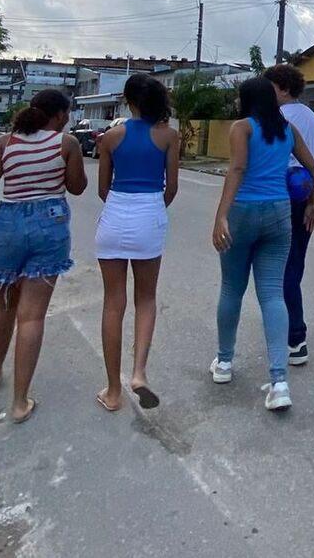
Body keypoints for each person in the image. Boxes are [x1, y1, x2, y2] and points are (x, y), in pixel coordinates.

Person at [0, 89, 87, 424]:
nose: (67, 118)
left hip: (8, 224)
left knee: (3, 304)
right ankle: (20, 402)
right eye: (66, 113)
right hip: (49, 224)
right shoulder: (66, 144)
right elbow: (77, 187)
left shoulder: (5, 143)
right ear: (59, 115)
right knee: (32, 316)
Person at [210, 77, 314, 411]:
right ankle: (279, 382)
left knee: (232, 288)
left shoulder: (241, 128)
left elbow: (238, 168)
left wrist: (221, 216)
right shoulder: (286, 129)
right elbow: (311, 165)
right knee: (272, 294)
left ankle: (225, 363)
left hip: (244, 210)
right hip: (279, 212)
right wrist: (313, 201)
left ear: (246, 100)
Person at [94, 74, 180, 412]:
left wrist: (121, 205)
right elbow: (171, 187)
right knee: (145, 298)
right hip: (149, 214)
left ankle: (113, 391)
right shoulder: (169, 136)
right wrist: (153, 209)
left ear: (129, 102)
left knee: (113, 303)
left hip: (114, 214)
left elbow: (102, 189)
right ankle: (139, 373)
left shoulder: (111, 137)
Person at [265, 63, 314, 366]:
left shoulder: (276, 119)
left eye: (271, 87)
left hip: (281, 196)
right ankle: (289, 324)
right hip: (307, 195)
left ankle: (295, 336)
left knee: (280, 268)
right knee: (295, 262)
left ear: (284, 88)